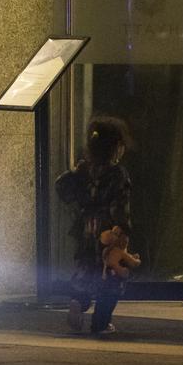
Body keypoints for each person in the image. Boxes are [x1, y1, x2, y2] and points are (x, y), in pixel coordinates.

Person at [55, 115, 138, 335]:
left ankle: (78, 302)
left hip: (85, 227)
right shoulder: (117, 174)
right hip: (108, 230)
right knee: (111, 274)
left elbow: (61, 186)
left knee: (86, 268)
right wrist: (123, 230)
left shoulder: (84, 170)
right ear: (116, 148)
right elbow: (121, 204)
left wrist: (77, 204)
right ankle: (101, 323)